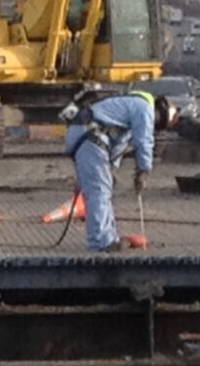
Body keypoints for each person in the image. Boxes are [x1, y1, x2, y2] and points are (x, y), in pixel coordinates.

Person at [62, 90, 176, 253]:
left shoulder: (130, 106)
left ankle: (108, 238)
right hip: (90, 138)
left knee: (103, 190)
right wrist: (143, 170)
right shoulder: (144, 108)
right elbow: (143, 141)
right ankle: (101, 243)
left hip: (86, 137)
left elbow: (120, 143)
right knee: (99, 191)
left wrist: (112, 168)